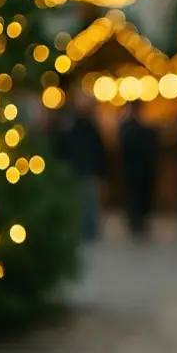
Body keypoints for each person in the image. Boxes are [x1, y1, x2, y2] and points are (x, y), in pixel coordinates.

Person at [50, 90, 108, 243]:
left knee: (87, 202)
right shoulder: (71, 125)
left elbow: (98, 149)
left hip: (84, 170)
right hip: (78, 170)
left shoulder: (82, 125)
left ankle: (88, 232)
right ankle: (85, 232)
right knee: (82, 202)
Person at [118, 101, 159, 240]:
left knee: (137, 197)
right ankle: (137, 222)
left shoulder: (128, 128)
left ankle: (137, 222)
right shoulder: (139, 129)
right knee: (137, 197)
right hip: (138, 170)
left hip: (136, 170)